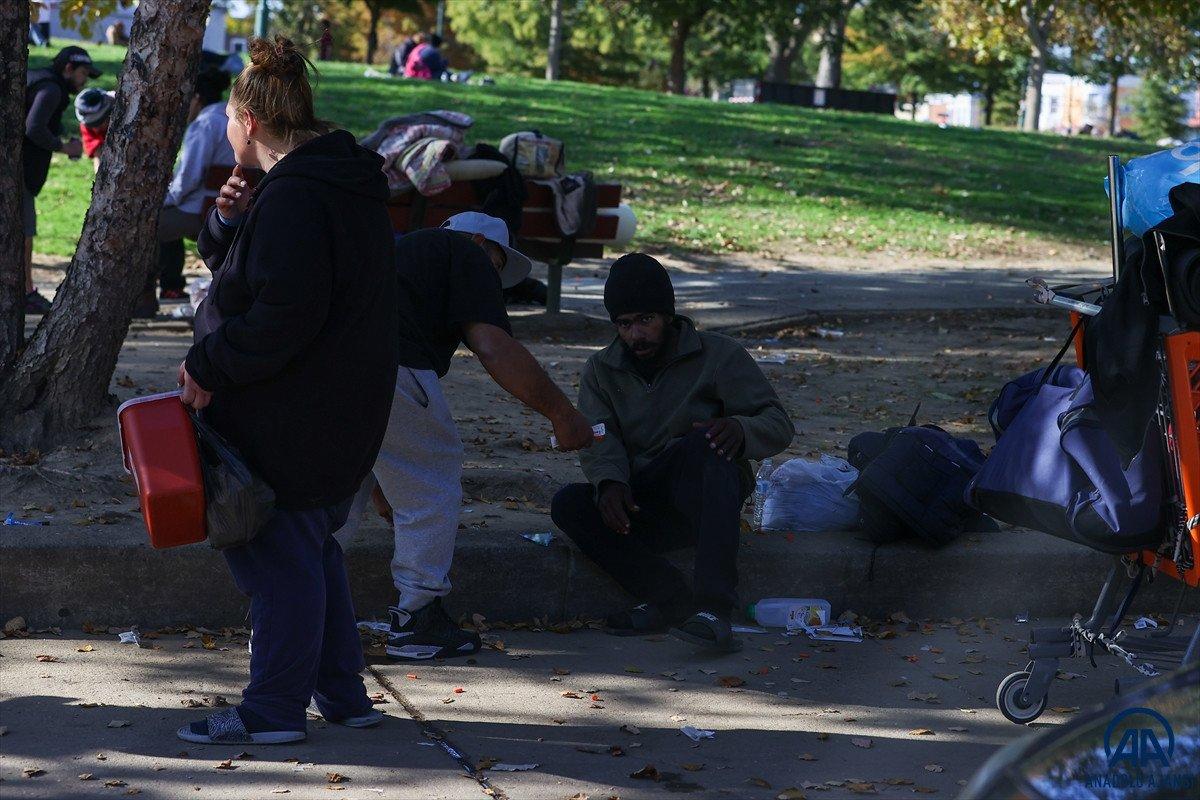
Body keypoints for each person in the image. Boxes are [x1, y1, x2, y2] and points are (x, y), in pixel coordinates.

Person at [176, 36, 399, 745]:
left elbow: (283, 313)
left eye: (228, 119)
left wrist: (209, 363)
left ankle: (272, 711)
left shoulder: (299, 195)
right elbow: (264, 278)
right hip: (340, 401)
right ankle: (343, 695)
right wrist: (230, 223)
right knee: (310, 549)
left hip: (294, 410)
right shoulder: (331, 181)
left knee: (277, 559)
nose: (227, 130)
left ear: (249, 121)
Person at [338, 212, 595, 661]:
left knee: (335, 495)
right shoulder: (465, 252)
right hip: (392, 366)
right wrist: (561, 412)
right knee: (432, 482)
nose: (492, 278)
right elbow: (493, 346)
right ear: (479, 241)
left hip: (329, 372)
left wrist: (380, 480)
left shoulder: (401, 254)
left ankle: (290, 611)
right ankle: (418, 619)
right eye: (497, 265)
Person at [550, 254, 794, 654]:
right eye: (624, 324)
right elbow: (600, 437)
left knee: (705, 443)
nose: (635, 335)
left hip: (706, 501)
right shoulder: (601, 370)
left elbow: (778, 422)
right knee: (569, 504)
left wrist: (740, 429)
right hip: (644, 501)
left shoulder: (719, 355)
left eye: (645, 320)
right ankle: (670, 600)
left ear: (668, 315)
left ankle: (714, 611)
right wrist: (609, 483)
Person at [145, 68, 236, 310]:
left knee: (146, 225)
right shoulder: (233, 121)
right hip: (228, 206)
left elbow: (188, 179)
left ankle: (143, 297)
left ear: (196, 98)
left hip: (202, 209)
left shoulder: (205, 124)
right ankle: (171, 284)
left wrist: (163, 200)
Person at [23, 46, 98, 314]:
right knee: (24, 232)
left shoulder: (39, 79)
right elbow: (33, 127)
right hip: (18, 174)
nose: (84, 80)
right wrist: (64, 147)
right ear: (68, 69)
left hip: (19, 172)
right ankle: (25, 292)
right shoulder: (52, 89)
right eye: (83, 73)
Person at [74, 88, 115, 174]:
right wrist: (99, 175)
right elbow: (98, 153)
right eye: (91, 125)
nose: (95, 129)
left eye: (99, 123)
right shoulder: (86, 126)